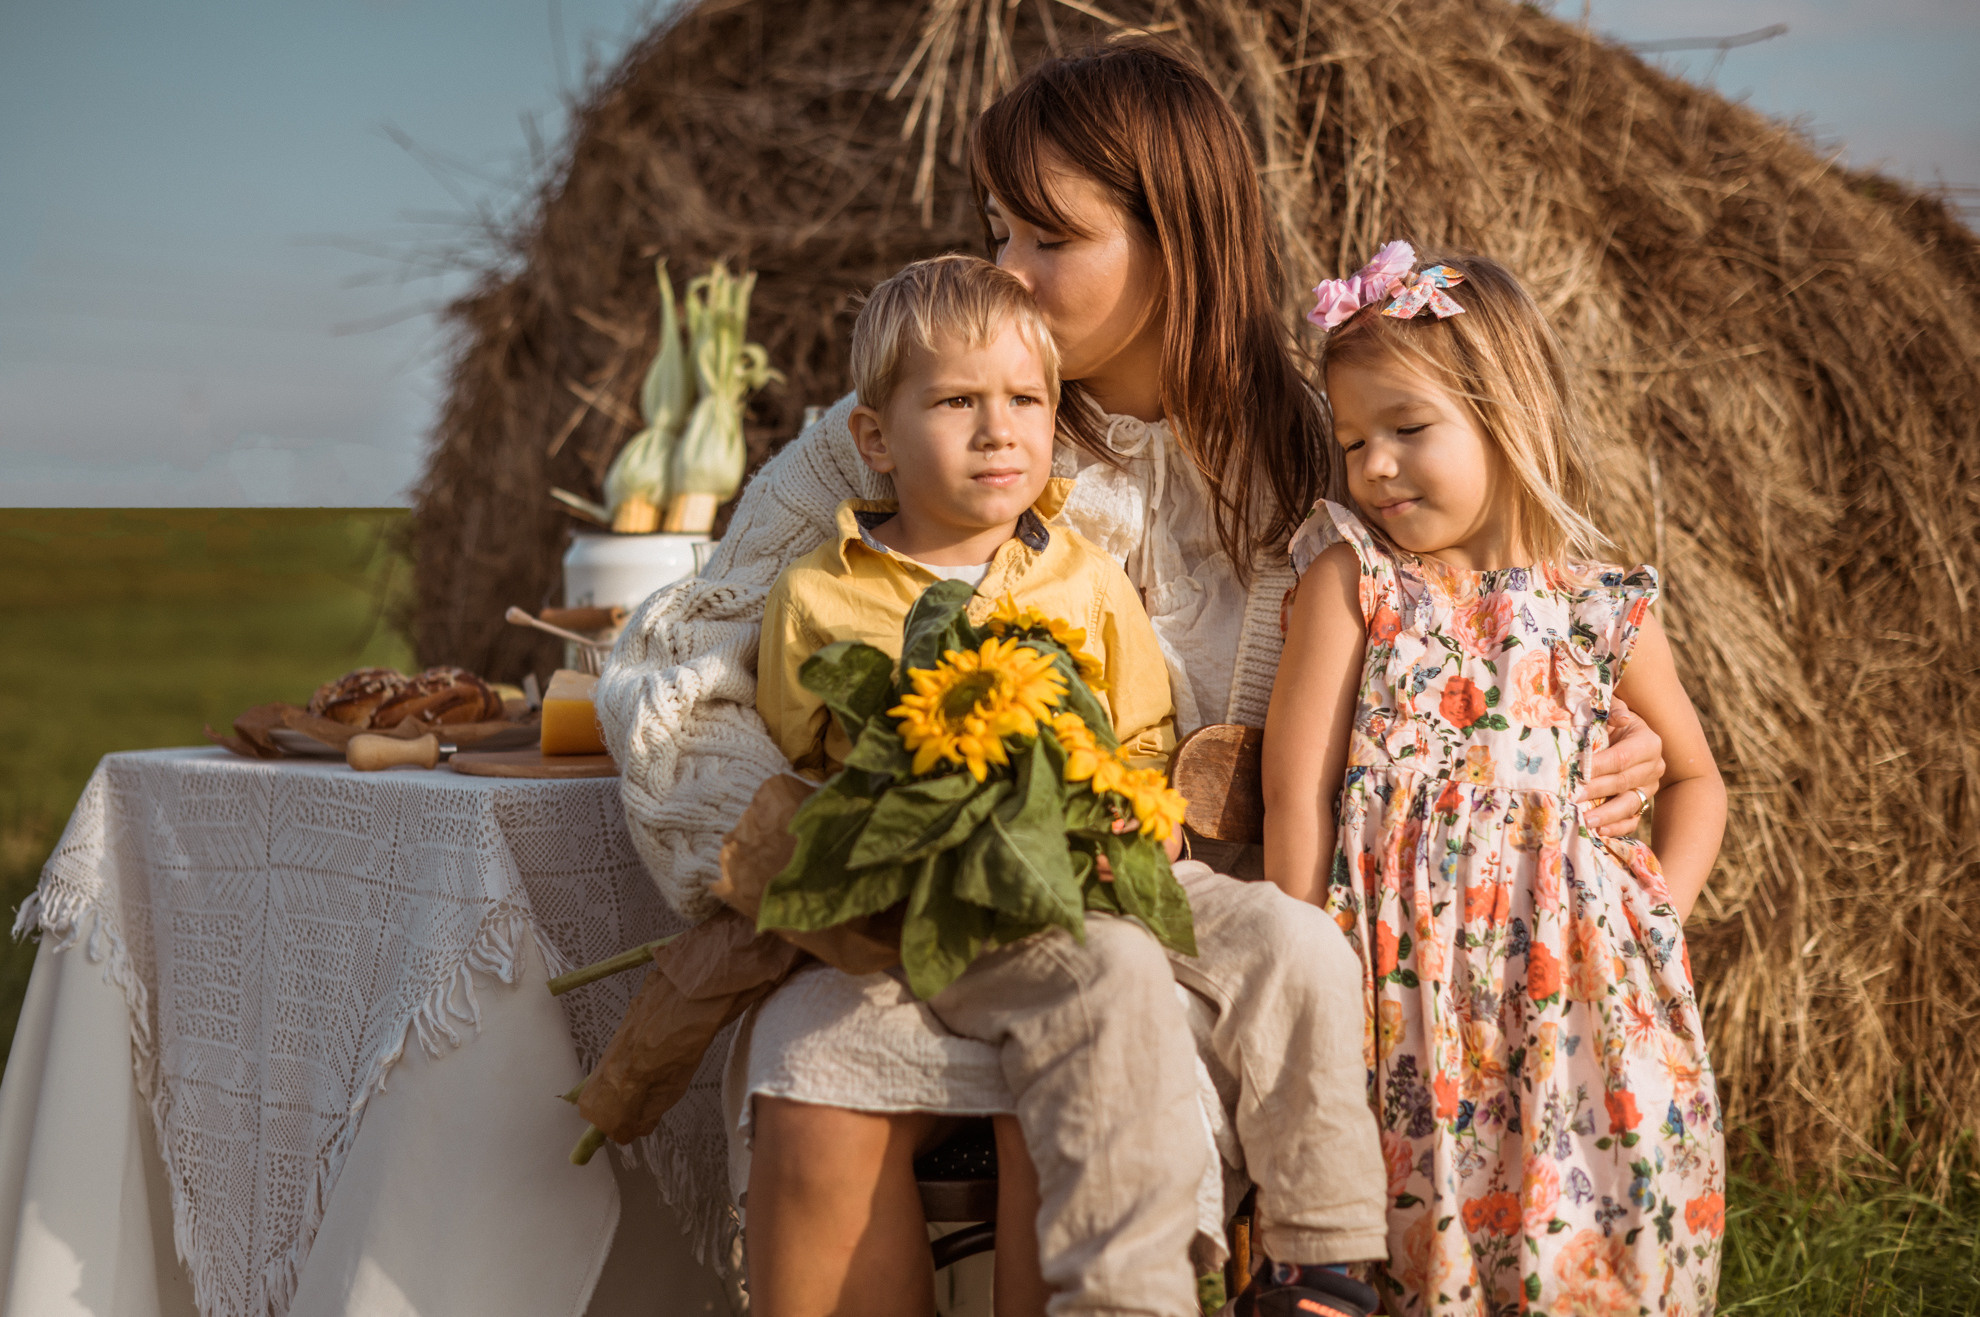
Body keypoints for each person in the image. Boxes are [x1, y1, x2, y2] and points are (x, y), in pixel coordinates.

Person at [595, 40, 1669, 1317]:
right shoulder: (924, 418)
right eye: (996, 230)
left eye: (1048, 237)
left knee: (1110, 1033)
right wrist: (836, 862)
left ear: (1179, 240)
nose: (1006, 273)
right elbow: (674, 667)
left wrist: (1603, 748)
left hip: (1188, 931)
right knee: (814, 1055)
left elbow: (1491, 638)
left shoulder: (1342, 449)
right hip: (912, 918)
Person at [1263, 244, 1726, 1314]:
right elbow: (1299, 793)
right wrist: (1294, 976)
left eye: (1407, 430)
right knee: (1413, 1239)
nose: (1373, 467)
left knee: (1592, 1234)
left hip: (1587, 1006)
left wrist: (1655, 925)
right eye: (1352, 443)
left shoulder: (1603, 603)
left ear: (1506, 408)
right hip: (1402, 1000)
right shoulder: (1358, 583)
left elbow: (1697, 779)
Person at [754, 250, 1190, 1316]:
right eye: (956, 402)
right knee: (806, 1074)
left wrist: (1122, 829)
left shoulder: (1083, 579)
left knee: (1061, 1096)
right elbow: (795, 763)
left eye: (1026, 402)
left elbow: (1140, 743)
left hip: (1059, 914)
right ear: (874, 439)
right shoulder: (817, 594)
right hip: (893, 931)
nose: (999, 432)